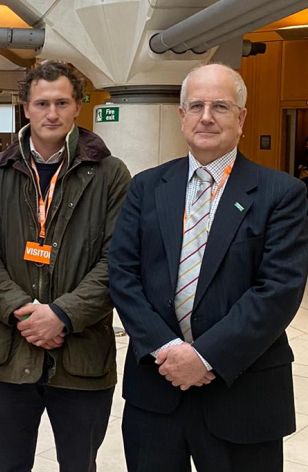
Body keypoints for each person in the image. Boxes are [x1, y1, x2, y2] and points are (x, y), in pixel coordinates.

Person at [109, 63, 308, 472]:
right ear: (181, 116)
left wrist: (204, 357)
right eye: (196, 105)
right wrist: (168, 350)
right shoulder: (146, 187)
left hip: (243, 392)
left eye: (220, 106)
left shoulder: (282, 194)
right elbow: (123, 275)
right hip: (156, 390)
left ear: (242, 119)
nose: (206, 116)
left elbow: (279, 290)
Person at [0, 60, 131, 472]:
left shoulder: (110, 175)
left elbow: (120, 261)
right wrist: (24, 313)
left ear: (79, 106)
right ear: (25, 107)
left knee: (79, 465)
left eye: (62, 102)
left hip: (82, 356)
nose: (52, 114)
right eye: (42, 103)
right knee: (9, 464)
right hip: (8, 351)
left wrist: (61, 315)